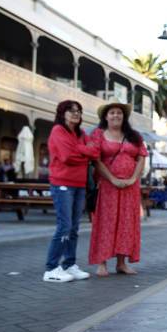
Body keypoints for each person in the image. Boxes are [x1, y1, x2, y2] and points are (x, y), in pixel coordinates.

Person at [88, 99, 148, 277]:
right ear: (105, 116)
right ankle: (102, 263)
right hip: (107, 186)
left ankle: (121, 263)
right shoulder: (98, 134)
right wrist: (112, 178)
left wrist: (133, 179)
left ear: (124, 116)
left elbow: (141, 157)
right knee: (105, 223)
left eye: (119, 113)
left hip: (130, 187)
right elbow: (96, 160)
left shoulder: (134, 136)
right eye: (112, 112)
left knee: (126, 224)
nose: (116, 115)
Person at [43, 100, 98, 283]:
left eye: (79, 111)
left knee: (74, 228)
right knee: (64, 226)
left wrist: (79, 150)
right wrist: (85, 153)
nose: (76, 114)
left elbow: (96, 152)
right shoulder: (58, 131)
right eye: (71, 111)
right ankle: (51, 268)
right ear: (62, 113)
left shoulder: (81, 133)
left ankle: (69, 264)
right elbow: (66, 157)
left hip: (79, 185)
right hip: (62, 184)